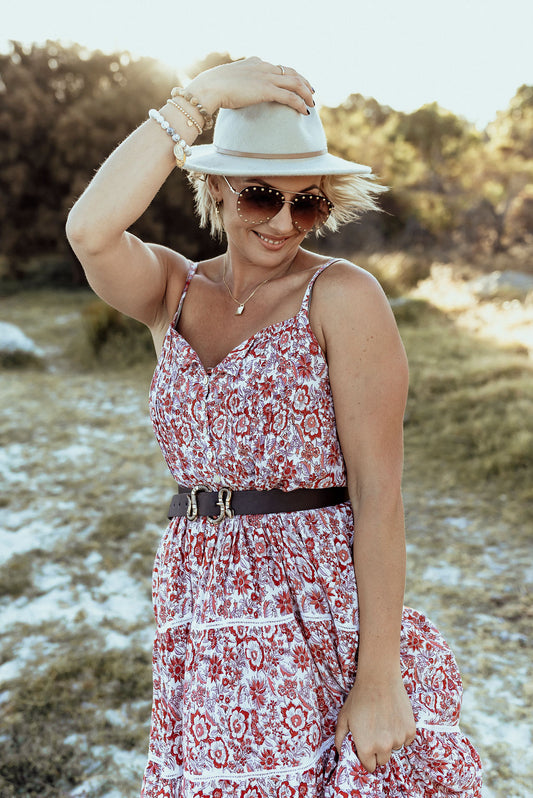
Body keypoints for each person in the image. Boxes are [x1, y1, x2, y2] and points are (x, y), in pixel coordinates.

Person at [66, 57, 482, 797]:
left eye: (309, 204)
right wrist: (196, 103)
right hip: (199, 599)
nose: (285, 223)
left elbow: (378, 494)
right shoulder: (173, 289)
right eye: (261, 196)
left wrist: (379, 677)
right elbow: (91, 230)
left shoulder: (341, 296)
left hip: (311, 603)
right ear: (216, 187)